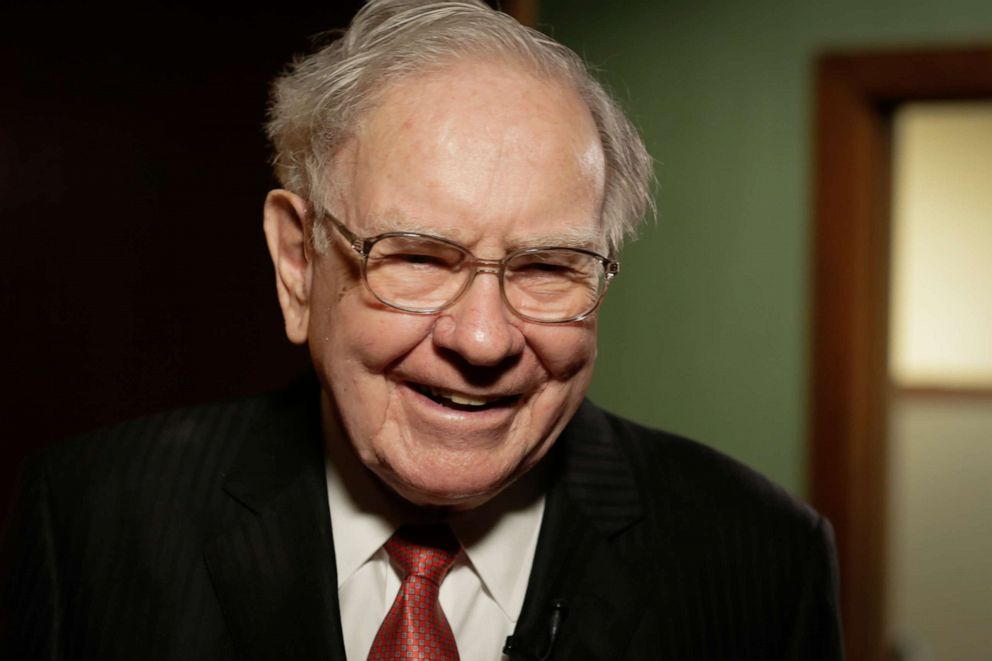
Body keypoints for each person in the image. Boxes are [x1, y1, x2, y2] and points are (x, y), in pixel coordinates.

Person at [1, 1, 843, 659]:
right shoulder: (92, 519)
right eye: (416, 258)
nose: (483, 340)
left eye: (548, 267)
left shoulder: (760, 558)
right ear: (298, 264)